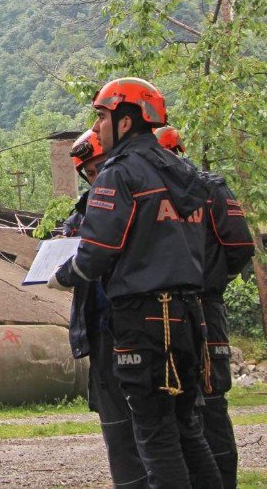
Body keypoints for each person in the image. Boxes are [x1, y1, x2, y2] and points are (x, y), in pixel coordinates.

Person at [52, 78, 222, 488]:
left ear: (126, 121)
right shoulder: (185, 171)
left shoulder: (119, 173)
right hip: (188, 316)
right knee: (188, 429)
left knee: (155, 434)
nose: (98, 127)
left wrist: (66, 274)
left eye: (102, 116)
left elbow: (98, 250)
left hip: (142, 321)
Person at [155, 126, 255, 489]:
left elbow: (241, 246)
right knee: (176, 406)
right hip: (172, 310)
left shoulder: (209, 188)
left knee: (210, 404)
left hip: (204, 310)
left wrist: (209, 281)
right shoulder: (153, 190)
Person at [52, 130, 146, 488]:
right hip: (99, 326)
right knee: (116, 427)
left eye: (102, 166)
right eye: (90, 172)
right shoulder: (80, 211)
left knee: (153, 424)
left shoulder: (138, 198)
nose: (98, 176)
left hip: (135, 322)